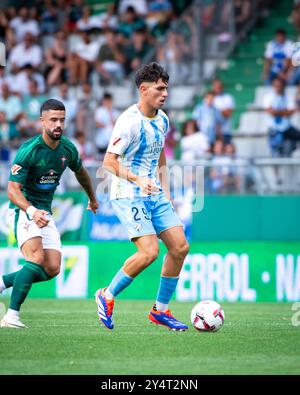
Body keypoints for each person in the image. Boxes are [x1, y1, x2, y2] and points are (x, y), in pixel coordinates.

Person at [95, 62, 189, 331]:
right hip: (128, 192)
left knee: (180, 247)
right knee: (149, 252)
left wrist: (166, 190)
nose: (165, 93)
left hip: (154, 192)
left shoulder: (163, 119)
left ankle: (160, 311)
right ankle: (107, 294)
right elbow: (109, 163)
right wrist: (137, 179)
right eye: (160, 89)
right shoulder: (128, 122)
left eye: (166, 88)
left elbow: (160, 154)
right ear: (144, 89)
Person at [0, 99, 99, 328]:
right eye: (53, 120)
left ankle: (3, 283)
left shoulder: (67, 148)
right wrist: (32, 211)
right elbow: (12, 189)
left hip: (45, 212)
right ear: (42, 121)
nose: (58, 124)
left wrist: (92, 198)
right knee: (35, 259)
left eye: (62, 120)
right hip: (23, 210)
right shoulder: (30, 150)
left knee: (52, 267)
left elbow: (81, 172)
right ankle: (11, 316)